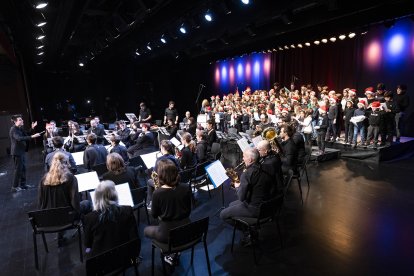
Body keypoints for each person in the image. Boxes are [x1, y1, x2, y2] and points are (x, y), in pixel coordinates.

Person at [220, 148, 273, 246]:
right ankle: (251, 230)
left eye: (244, 157)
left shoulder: (247, 174)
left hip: (254, 208)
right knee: (231, 204)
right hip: (267, 205)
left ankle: (249, 231)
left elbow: (241, 197)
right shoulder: (266, 167)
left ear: (250, 160)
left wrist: (237, 185)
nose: (242, 159)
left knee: (223, 214)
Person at [144, 159, 191, 265]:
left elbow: (154, 215)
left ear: (161, 175)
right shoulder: (186, 187)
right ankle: (176, 251)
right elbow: (188, 211)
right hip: (187, 228)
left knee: (146, 231)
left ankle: (170, 254)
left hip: (168, 233)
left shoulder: (157, 193)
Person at [84, 180, 140, 257]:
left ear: (96, 197)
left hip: (102, 262)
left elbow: (87, 244)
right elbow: (134, 238)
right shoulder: (128, 210)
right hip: (126, 256)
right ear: (115, 195)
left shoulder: (89, 218)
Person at [38, 152, 80, 246]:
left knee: (58, 207)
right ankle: (86, 238)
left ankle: (61, 237)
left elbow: (41, 201)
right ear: (66, 163)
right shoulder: (71, 178)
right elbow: (75, 201)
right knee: (87, 205)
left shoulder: (43, 179)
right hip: (66, 217)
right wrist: (78, 213)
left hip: (48, 218)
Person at [9, 115, 41, 192]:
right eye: (20, 120)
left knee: (23, 169)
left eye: (22, 119)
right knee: (18, 170)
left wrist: (32, 128)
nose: (22, 120)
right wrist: (32, 136)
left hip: (21, 151)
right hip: (17, 152)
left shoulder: (20, 128)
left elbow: (27, 134)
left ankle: (23, 185)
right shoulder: (13, 129)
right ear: (15, 121)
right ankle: (14, 187)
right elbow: (19, 138)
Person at [146, 140, 180, 207]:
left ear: (162, 148)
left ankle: (150, 202)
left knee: (149, 181)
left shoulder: (159, 160)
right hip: (174, 181)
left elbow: (154, 174)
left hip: (164, 184)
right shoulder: (174, 158)